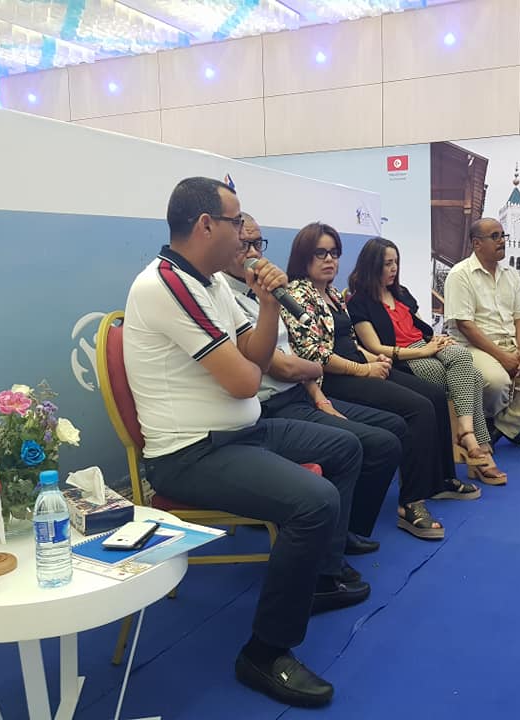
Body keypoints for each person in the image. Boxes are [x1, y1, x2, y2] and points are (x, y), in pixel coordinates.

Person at [123, 177, 368, 708]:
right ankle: (264, 651)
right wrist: (256, 362)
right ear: (205, 225)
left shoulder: (210, 281)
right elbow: (244, 380)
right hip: (191, 453)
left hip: (241, 431)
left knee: (346, 447)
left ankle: (319, 577)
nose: (244, 235)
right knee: (314, 501)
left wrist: (268, 302)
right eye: (236, 223)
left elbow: (254, 356)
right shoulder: (165, 285)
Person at [283, 222, 482, 543]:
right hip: (334, 379)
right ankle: (410, 502)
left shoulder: (332, 294)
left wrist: (372, 359)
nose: (330, 259)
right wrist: (363, 369)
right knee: (417, 409)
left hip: (357, 367)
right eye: (321, 253)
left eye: (334, 253)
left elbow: (349, 341)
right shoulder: (297, 295)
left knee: (433, 395)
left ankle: (441, 480)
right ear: (303, 256)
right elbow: (315, 355)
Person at [221, 213, 405, 557]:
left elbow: (296, 359)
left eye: (257, 243)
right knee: (360, 444)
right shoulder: (225, 298)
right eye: (243, 244)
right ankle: (329, 553)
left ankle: (346, 529)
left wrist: (320, 398)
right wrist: (322, 368)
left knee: (391, 432)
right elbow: (285, 364)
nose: (253, 253)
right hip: (269, 407)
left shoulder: (266, 293)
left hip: (303, 392)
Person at [347, 237, 506, 484]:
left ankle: (466, 435)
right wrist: (423, 352)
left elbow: (420, 327)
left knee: (462, 356)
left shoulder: (401, 293)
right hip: (402, 357)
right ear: (372, 265)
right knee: (472, 377)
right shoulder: (359, 303)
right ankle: (480, 448)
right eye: (387, 263)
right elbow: (375, 347)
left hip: (425, 344)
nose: (394, 268)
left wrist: (437, 341)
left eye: (396, 262)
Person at [444, 217, 520, 445]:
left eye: (503, 235)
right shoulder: (460, 274)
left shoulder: (511, 274)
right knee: (497, 382)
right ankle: (494, 420)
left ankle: (503, 425)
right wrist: (504, 358)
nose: (502, 241)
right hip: (473, 346)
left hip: (511, 343)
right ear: (477, 244)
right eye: (495, 236)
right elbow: (465, 325)